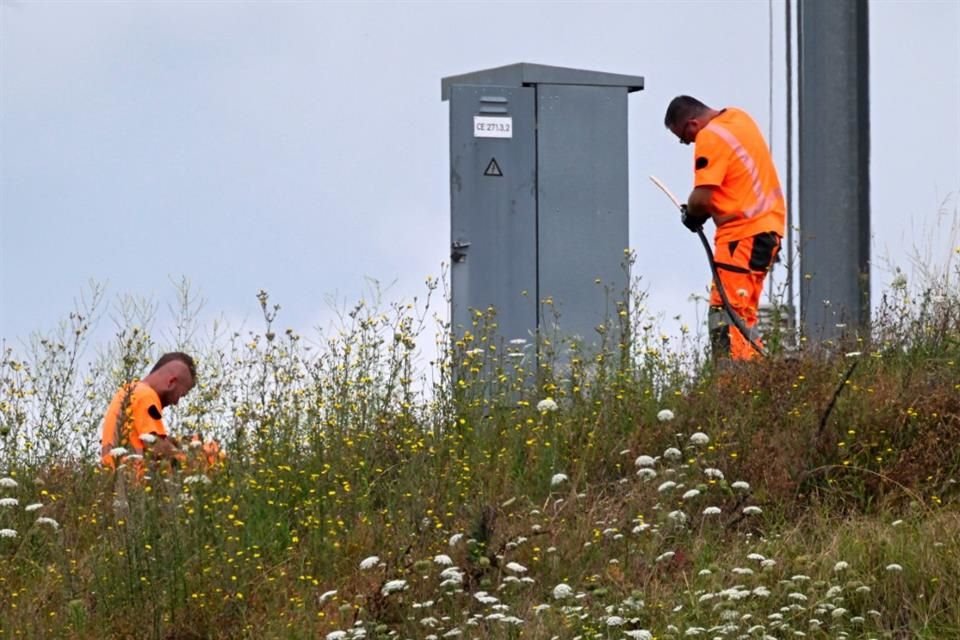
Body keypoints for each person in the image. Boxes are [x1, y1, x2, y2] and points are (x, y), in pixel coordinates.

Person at [664, 95, 786, 361]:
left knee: (725, 314)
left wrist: (692, 214)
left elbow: (702, 198)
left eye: (684, 138)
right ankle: (757, 373)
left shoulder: (710, 136)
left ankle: (733, 379)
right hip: (767, 230)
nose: (688, 143)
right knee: (742, 312)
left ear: (693, 124)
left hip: (742, 236)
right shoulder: (740, 119)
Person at [100, 352, 196, 469]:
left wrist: (176, 442)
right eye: (180, 395)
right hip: (132, 477)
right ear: (171, 382)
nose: (176, 403)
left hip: (115, 475)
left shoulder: (129, 390)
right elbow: (155, 445)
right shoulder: (147, 396)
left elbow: (141, 436)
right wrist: (192, 462)